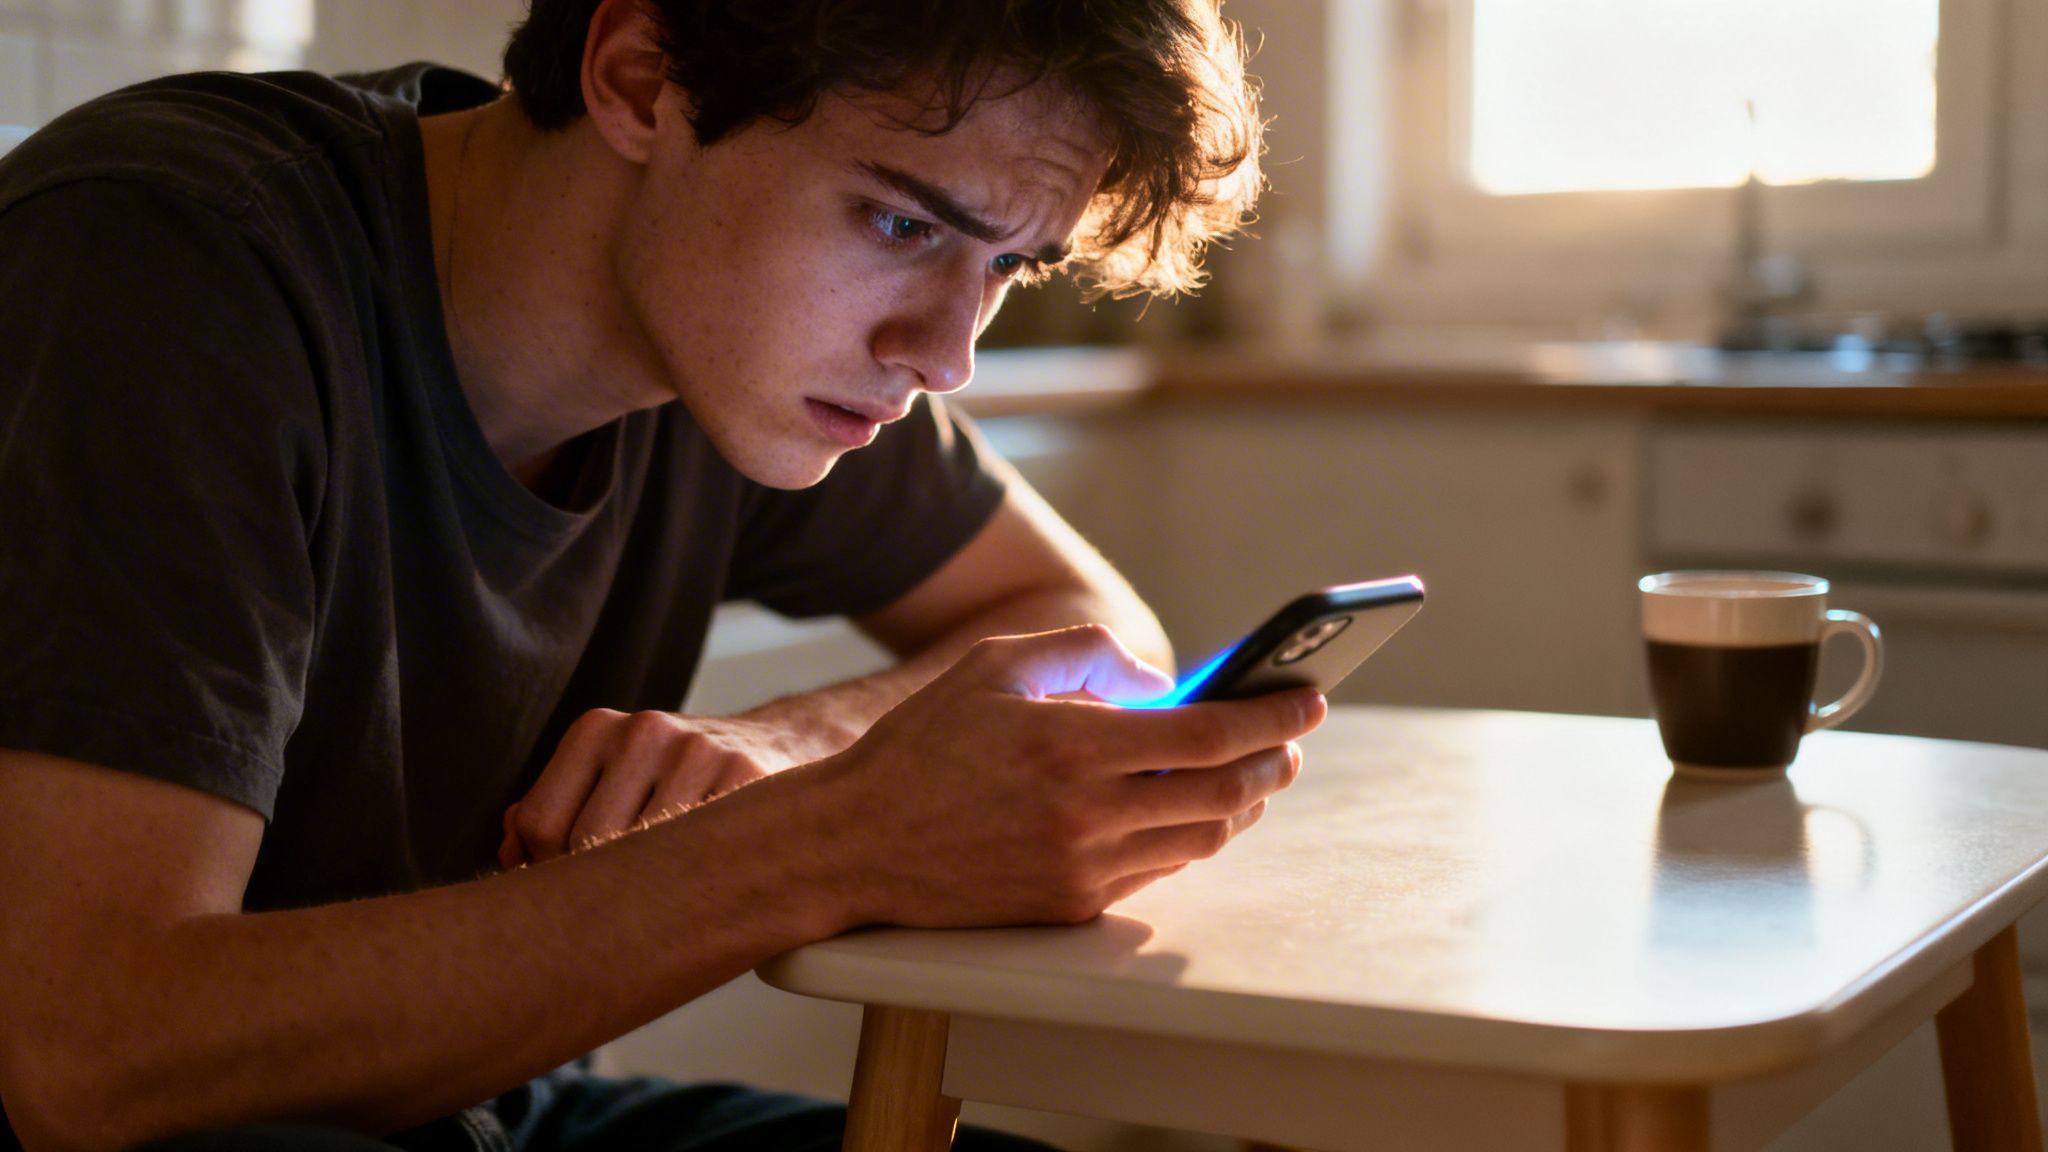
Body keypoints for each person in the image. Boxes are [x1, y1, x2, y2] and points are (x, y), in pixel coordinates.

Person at [0, 2, 1322, 1150]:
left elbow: (1095, 629)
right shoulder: (169, 260)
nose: (946, 354)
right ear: (639, 79)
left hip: (463, 1111)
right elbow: (91, 1060)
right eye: (902, 223)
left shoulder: (736, 341)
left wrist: (790, 749)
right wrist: (838, 838)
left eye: (1008, 266)